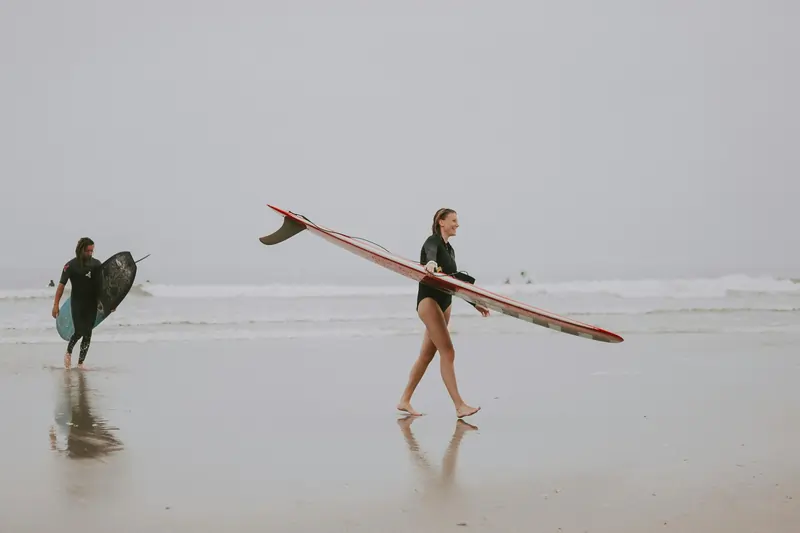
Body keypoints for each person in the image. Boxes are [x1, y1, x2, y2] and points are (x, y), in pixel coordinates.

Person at [397, 208, 489, 418]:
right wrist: (429, 263)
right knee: (448, 352)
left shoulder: (450, 249)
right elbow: (430, 253)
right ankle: (459, 406)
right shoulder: (433, 241)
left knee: (426, 355)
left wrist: (476, 303)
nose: (457, 224)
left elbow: (455, 281)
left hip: (445, 303)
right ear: (441, 222)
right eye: (454, 220)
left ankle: (404, 400)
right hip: (429, 302)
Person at [51, 237, 111, 369]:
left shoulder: (96, 265)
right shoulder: (70, 266)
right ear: (80, 250)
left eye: (92, 251)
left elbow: (102, 287)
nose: (90, 253)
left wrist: (109, 303)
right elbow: (61, 285)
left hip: (91, 303)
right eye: (87, 251)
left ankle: (80, 363)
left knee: (88, 333)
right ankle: (69, 351)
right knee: (79, 331)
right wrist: (56, 305)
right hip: (77, 302)